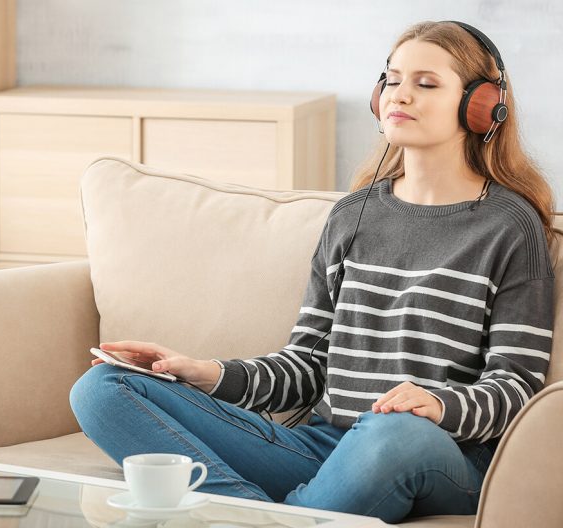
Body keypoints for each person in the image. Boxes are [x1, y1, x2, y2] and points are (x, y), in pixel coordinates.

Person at [69, 20, 555, 524]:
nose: (400, 95)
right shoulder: (353, 215)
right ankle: (257, 516)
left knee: (392, 432)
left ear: (481, 107)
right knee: (102, 389)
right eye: (391, 80)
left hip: (430, 453)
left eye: (426, 83)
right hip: (324, 446)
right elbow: (307, 366)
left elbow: (516, 387)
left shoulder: (510, 226)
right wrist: (202, 372)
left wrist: (436, 405)